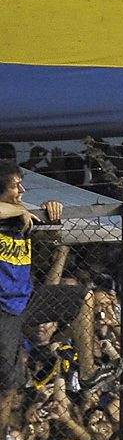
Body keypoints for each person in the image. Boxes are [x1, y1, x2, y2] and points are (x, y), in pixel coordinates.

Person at [0, 162, 60, 422]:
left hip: (27, 298)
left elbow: (55, 233)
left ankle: (90, 372)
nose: (22, 190)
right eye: (15, 186)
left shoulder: (20, 213)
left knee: (83, 296)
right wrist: (19, 209)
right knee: (8, 386)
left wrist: (49, 208)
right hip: (3, 307)